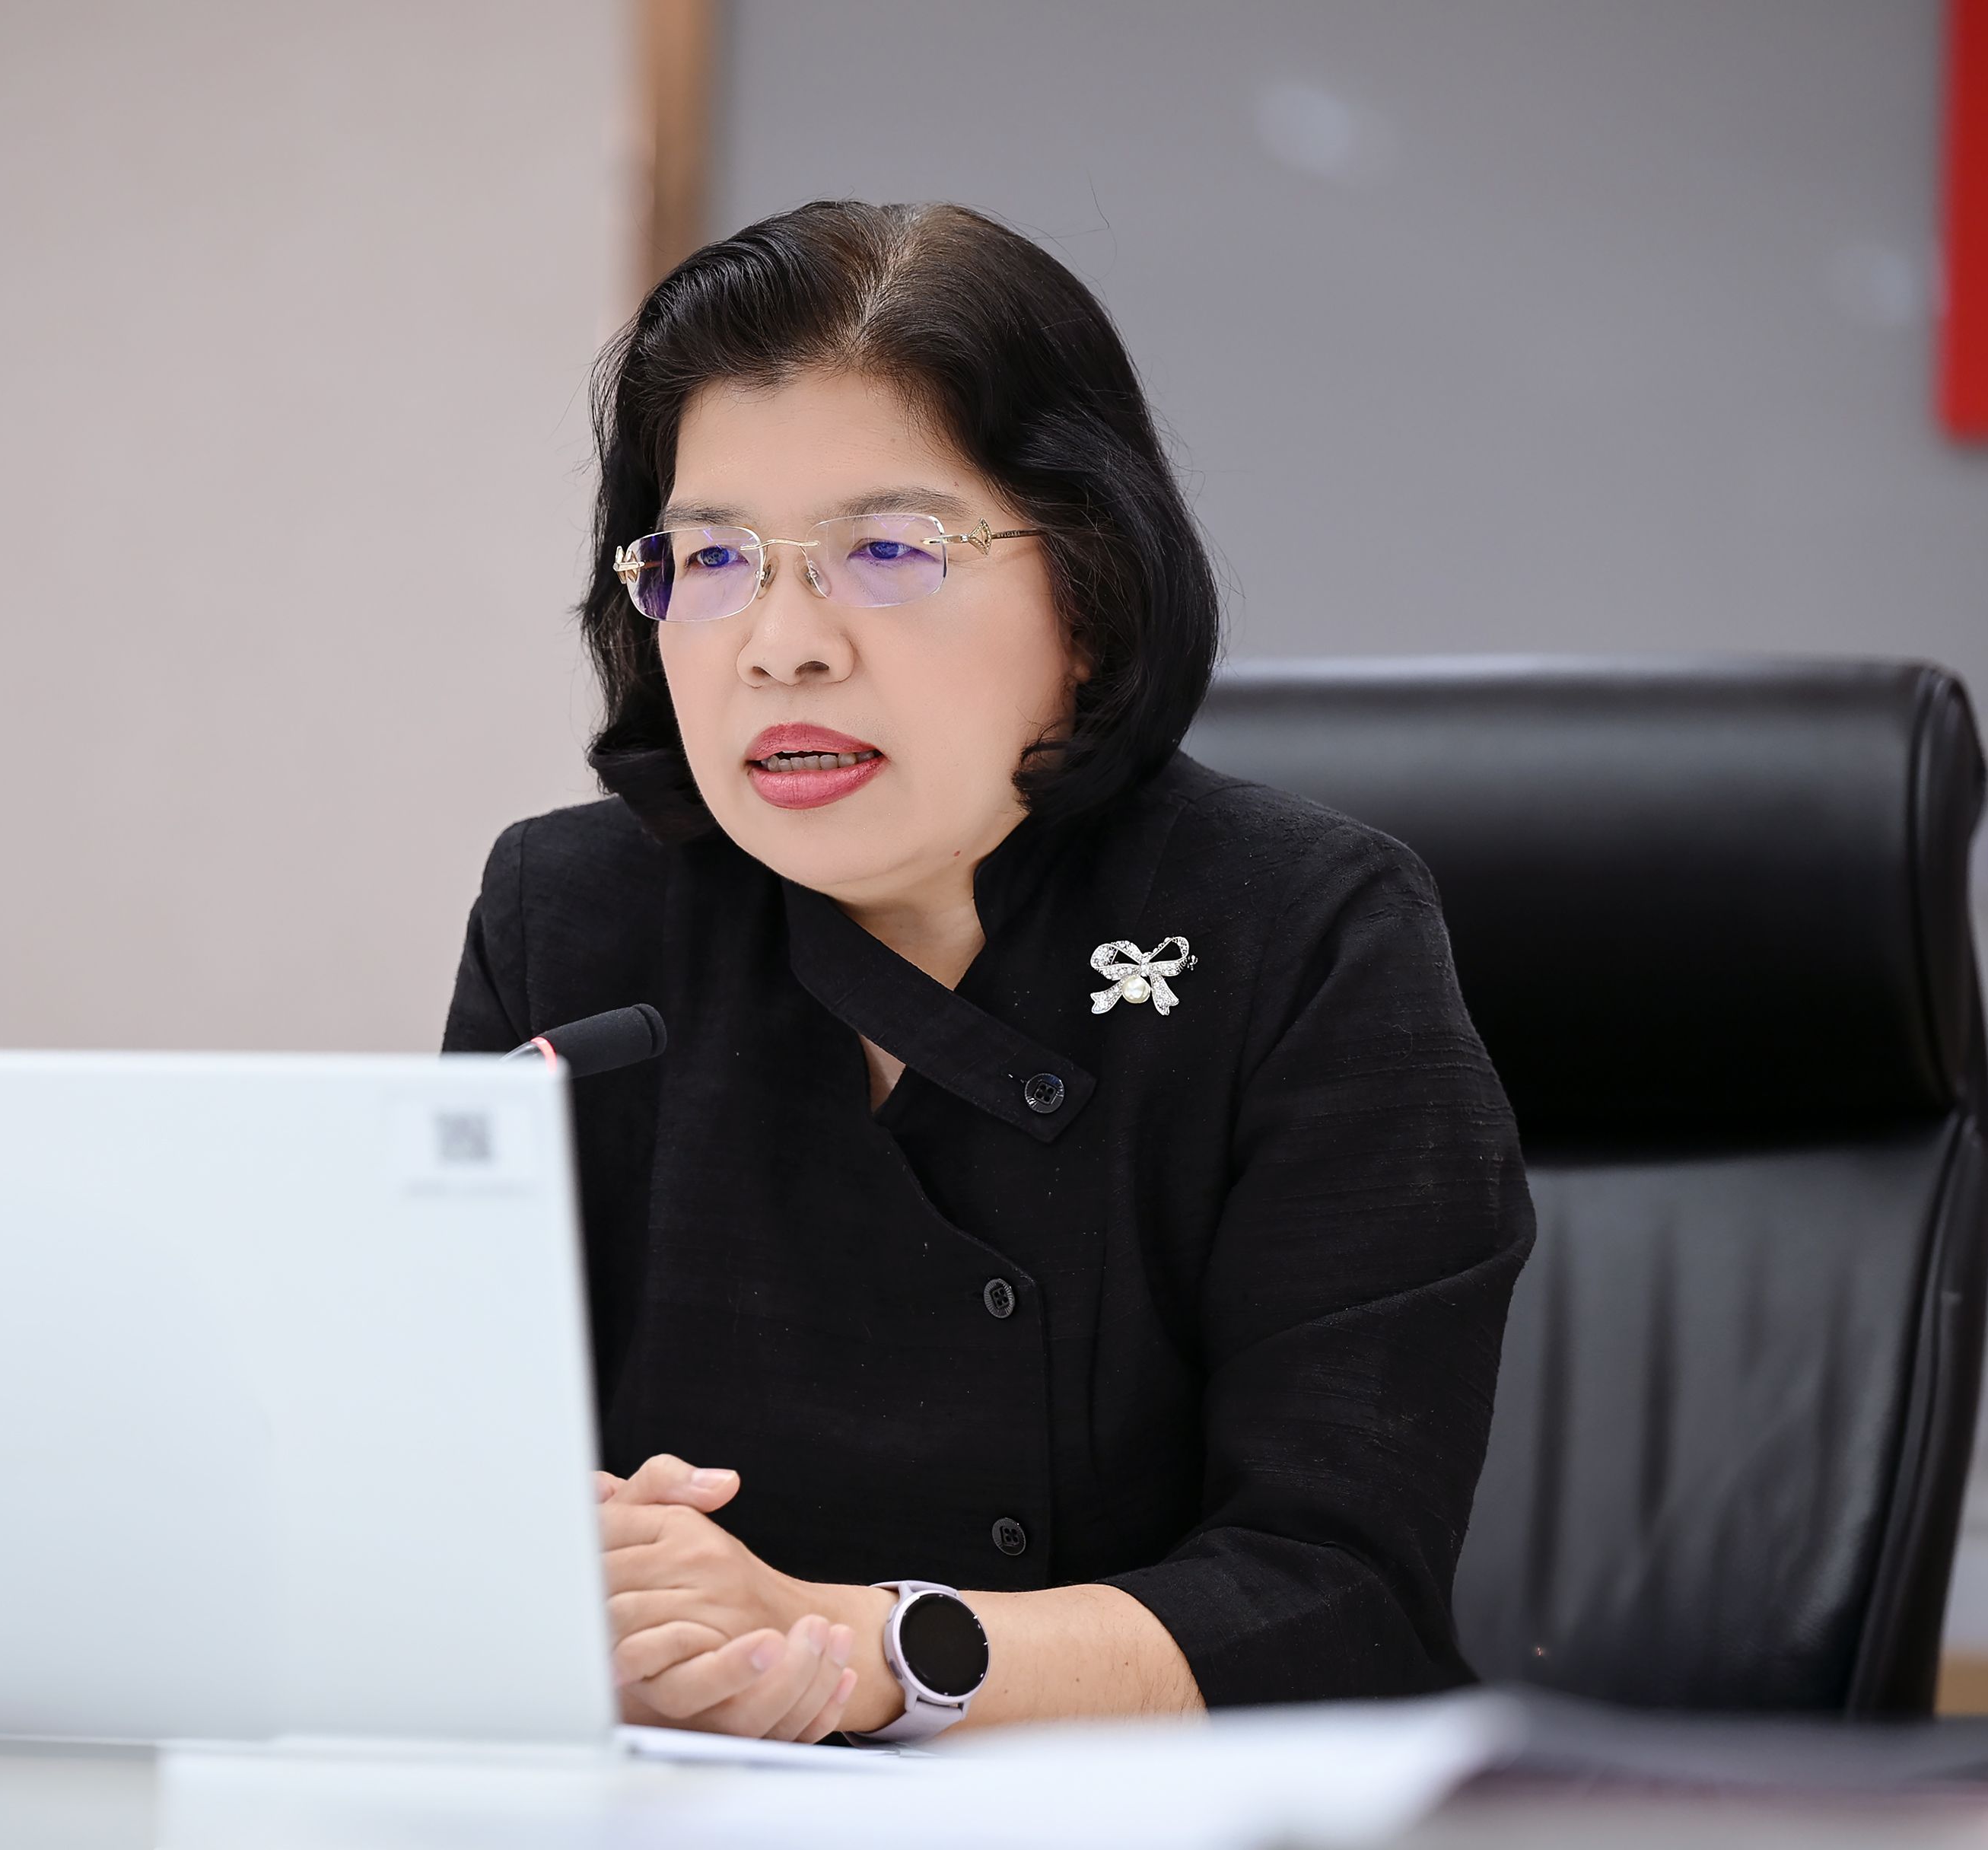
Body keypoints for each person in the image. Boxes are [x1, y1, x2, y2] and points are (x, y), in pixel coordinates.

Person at [444, 201, 1532, 1744]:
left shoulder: (1303, 933)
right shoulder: (573, 918)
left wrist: (863, 1646)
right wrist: (588, 1583)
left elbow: (1339, 1600)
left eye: (887, 551)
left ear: (1088, 594)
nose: (781, 644)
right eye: (713, 557)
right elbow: (435, 1474)